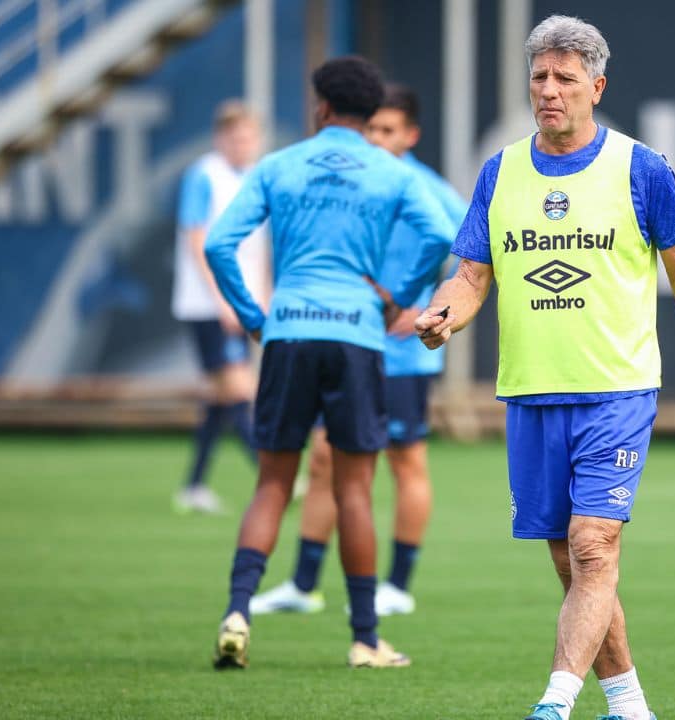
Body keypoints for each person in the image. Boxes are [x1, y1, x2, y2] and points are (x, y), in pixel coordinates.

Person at [413, 15, 675, 720]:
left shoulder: (642, 169)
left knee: (594, 547)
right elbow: (472, 275)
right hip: (532, 392)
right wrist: (444, 310)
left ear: (597, 85)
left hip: (617, 390)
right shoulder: (500, 171)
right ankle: (629, 705)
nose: (549, 90)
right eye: (539, 76)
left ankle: (553, 703)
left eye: (565, 78)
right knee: (573, 565)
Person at [203, 56, 456, 670]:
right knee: (355, 490)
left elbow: (217, 244)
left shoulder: (279, 166)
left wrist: (255, 317)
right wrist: (399, 294)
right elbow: (443, 237)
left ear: (320, 107)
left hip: (288, 331)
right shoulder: (391, 173)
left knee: (272, 481)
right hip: (358, 337)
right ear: (372, 116)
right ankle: (366, 638)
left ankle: (238, 610)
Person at [250, 84, 467, 617]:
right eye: (372, 128)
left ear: (410, 135)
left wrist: (420, 309)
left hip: (402, 351)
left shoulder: (426, 187)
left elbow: (471, 254)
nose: (377, 139)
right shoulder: (359, 179)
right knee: (325, 459)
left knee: (404, 462)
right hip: (352, 340)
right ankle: (303, 585)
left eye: (389, 131)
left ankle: (397, 583)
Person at [170, 100, 270, 514]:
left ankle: (193, 486)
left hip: (243, 302)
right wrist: (224, 300)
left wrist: (262, 293)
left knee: (219, 398)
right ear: (220, 139)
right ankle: (276, 476)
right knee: (239, 391)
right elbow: (198, 242)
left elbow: (260, 247)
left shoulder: (257, 178)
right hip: (209, 305)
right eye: (235, 137)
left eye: (248, 137)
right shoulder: (204, 175)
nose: (242, 144)